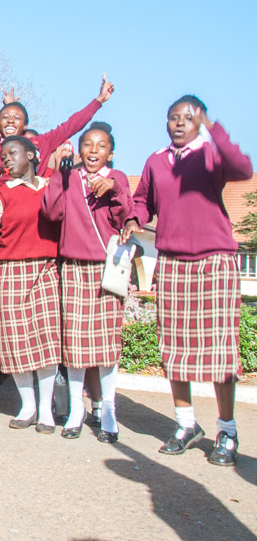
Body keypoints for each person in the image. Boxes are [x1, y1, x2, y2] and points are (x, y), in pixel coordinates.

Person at [122, 95, 252, 466]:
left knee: (220, 348)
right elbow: (143, 201)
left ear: (199, 121)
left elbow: (242, 168)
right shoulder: (156, 161)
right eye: (173, 117)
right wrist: (134, 218)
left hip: (215, 262)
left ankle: (226, 430)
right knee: (174, 345)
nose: (179, 123)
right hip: (173, 261)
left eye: (188, 117)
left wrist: (213, 127)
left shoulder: (211, 155)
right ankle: (185, 424)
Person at [41, 119, 129, 442]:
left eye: (101, 145)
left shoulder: (116, 178)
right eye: (87, 145)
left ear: (111, 151)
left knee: (106, 344)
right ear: (78, 150)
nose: (93, 151)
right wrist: (57, 173)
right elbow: (51, 213)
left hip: (106, 268)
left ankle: (108, 410)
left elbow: (126, 215)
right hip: (74, 267)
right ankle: (76, 409)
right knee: (75, 342)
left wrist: (115, 190)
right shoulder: (69, 177)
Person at [0, 136, 62, 433]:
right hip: (10, 272)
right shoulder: (1, 193)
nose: (6, 159)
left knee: (47, 342)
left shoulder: (50, 186)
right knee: (17, 340)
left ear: (32, 155)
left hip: (46, 269)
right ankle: (28, 407)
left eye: (13, 153)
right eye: (3, 155)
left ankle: (47, 410)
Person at [0, 76, 114, 176]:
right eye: (5, 117)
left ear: (25, 124)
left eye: (17, 118)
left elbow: (70, 126)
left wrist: (99, 100)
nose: (11, 121)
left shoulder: (41, 143)